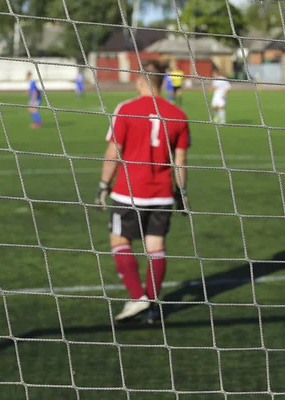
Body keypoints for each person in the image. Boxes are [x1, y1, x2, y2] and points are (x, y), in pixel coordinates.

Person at [95, 59, 191, 323]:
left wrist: (103, 185)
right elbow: (179, 161)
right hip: (162, 193)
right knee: (156, 246)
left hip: (129, 192)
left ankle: (138, 298)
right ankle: (151, 308)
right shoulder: (178, 115)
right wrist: (181, 194)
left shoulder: (126, 109)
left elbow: (113, 152)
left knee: (119, 241)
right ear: (163, 82)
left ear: (139, 81)